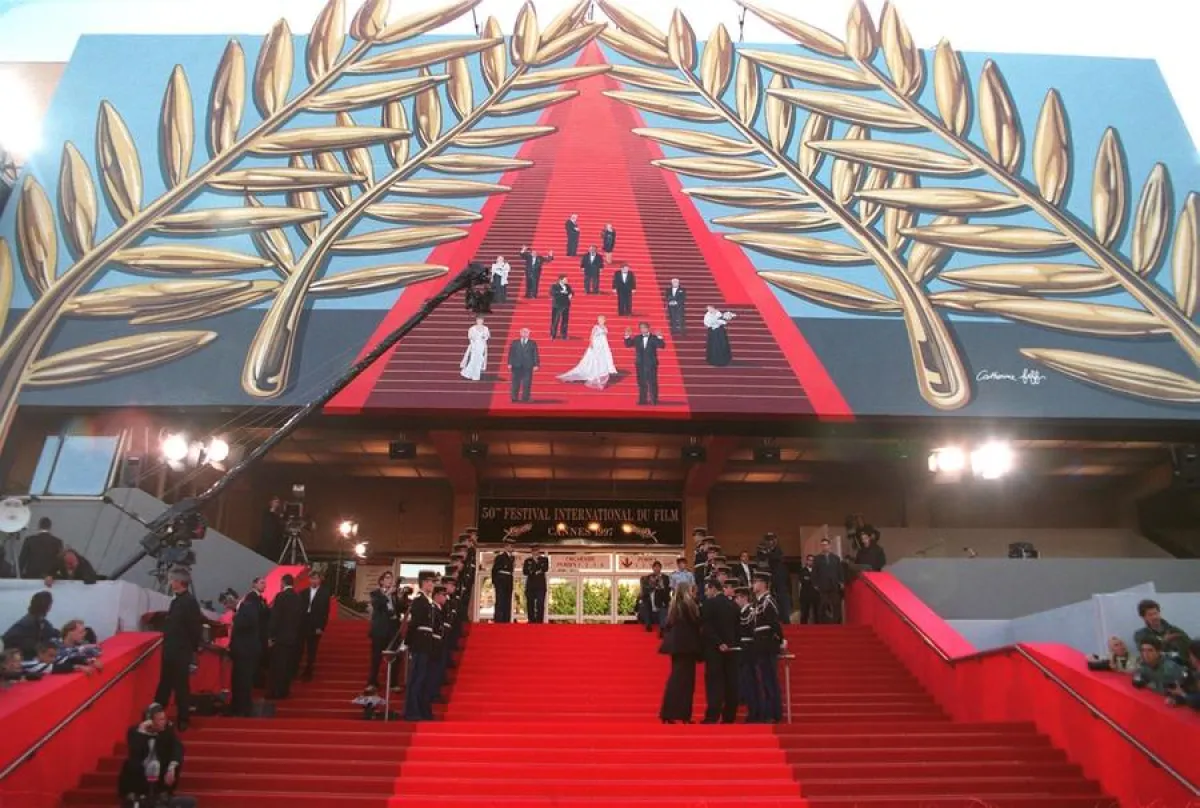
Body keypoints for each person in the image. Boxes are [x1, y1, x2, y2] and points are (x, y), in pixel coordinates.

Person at [155, 569, 203, 730]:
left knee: (181, 686)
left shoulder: (189, 602)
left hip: (181, 651)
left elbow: (194, 628)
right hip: (170, 649)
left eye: (171, 580)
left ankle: (183, 718)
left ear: (178, 582)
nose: (170, 583)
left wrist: (193, 650)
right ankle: (156, 715)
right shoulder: (176, 602)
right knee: (165, 684)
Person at [118, 703, 184, 807]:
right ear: (150, 721)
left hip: (160, 768)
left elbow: (178, 748)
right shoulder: (135, 732)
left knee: (173, 764)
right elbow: (134, 751)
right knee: (128, 764)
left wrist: (172, 766)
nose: (164, 722)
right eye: (161, 720)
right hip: (141, 769)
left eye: (164, 719)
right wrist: (143, 732)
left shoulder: (168, 731)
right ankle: (132, 794)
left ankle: (164, 793)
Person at [659, 582, 701, 724]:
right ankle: (683, 714)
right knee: (686, 682)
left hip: (677, 648)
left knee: (676, 680)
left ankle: (670, 713)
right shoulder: (688, 606)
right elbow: (696, 622)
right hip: (687, 648)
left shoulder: (674, 607)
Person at [701, 578, 739, 724]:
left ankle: (712, 716)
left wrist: (719, 642)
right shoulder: (733, 605)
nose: (706, 593)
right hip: (732, 649)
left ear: (712, 588)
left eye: (706, 590)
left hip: (714, 650)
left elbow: (707, 627)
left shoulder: (709, 604)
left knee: (714, 682)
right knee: (731, 682)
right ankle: (729, 716)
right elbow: (737, 628)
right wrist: (731, 643)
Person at [751, 571, 784, 723]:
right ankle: (768, 712)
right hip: (761, 646)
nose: (754, 584)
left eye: (756, 581)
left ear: (764, 584)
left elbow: (775, 625)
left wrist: (779, 640)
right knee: (765, 680)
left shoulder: (768, 601)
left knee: (770, 680)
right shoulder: (759, 602)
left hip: (767, 645)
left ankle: (773, 713)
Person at [404, 572, 437, 721]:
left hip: (425, 643)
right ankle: (412, 711)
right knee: (416, 678)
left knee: (422, 678)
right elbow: (414, 624)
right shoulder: (419, 600)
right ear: (423, 583)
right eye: (430, 582)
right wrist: (408, 643)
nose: (432, 585)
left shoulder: (427, 601)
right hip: (419, 643)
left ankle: (420, 709)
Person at [229, 589, 263, 716]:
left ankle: (244, 708)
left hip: (247, 652)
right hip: (241, 652)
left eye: (227, 603)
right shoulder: (242, 610)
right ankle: (238, 706)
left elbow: (247, 624)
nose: (226, 607)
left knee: (244, 681)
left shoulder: (248, 608)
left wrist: (235, 620)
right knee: (238, 681)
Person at [558, 315, 617, 390]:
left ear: (605, 321)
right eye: (600, 320)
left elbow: (604, 337)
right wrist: (591, 344)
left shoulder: (605, 328)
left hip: (602, 347)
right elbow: (591, 336)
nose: (601, 321)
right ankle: (593, 374)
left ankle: (599, 374)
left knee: (601, 361)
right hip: (596, 346)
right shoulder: (596, 327)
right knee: (593, 361)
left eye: (602, 320)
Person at [267, 573, 302, 700]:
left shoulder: (281, 596)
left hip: (280, 638)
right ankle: (284, 691)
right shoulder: (298, 597)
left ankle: (275, 691)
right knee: (288, 665)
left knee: (277, 665)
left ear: (283, 582)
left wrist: (271, 635)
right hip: (293, 637)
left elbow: (275, 617)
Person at [367, 572, 400, 690]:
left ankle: (393, 683)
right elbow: (377, 605)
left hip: (393, 629)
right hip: (380, 630)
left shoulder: (395, 595)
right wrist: (386, 595)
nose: (390, 580)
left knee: (395, 656)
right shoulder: (375, 593)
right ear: (381, 581)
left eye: (391, 578)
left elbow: (399, 608)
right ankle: (372, 682)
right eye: (387, 578)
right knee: (376, 657)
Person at [3, 590, 58, 659]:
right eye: (50, 604)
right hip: (25, 659)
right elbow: (9, 639)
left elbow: (52, 633)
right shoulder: (26, 623)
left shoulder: (43, 623)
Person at [623, 322, 665, 406]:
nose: (643, 329)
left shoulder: (654, 338)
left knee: (652, 382)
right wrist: (627, 336)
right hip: (640, 364)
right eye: (641, 328)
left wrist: (660, 337)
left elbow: (661, 345)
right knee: (641, 382)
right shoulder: (637, 338)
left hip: (651, 364)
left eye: (644, 328)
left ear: (648, 328)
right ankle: (642, 400)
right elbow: (628, 344)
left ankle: (654, 400)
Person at [299, 570, 330, 681]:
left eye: (316, 578)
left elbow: (325, 612)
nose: (314, 580)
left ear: (319, 580)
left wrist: (321, 627)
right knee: (300, 647)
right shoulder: (303, 593)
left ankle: (309, 670)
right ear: (309, 579)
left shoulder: (325, 593)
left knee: (312, 649)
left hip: (315, 624)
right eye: (312, 578)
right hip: (303, 623)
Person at [733, 586, 758, 721]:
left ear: (744, 598)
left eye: (737, 598)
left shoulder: (749, 612)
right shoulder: (744, 612)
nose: (735, 601)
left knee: (749, 681)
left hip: (748, 649)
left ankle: (754, 711)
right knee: (745, 680)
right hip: (744, 648)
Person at [758, 533, 791, 625]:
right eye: (768, 540)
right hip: (767, 578)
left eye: (771, 539)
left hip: (779, 579)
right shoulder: (761, 549)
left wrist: (767, 553)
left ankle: (785, 621)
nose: (770, 542)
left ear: (775, 540)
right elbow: (760, 561)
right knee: (767, 600)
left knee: (782, 599)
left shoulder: (778, 551)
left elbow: (776, 558)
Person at [19, 517, 63, 582]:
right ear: (50, 527)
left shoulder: (29, 540)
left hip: (31, 577)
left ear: (39, 526)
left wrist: (19, 575)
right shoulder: (58, 542)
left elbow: (22, 560)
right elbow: (60, 562)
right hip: (49, 579)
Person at [812, 537, 844, 624]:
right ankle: (822, 622)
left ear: (829, 546)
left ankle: (837, 622)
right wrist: (815, 584)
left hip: (834, 584)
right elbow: (814, 572)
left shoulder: (835, 558)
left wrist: (841, 582)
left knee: (836, 604)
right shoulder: (817, 558)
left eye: (826, 545)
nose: (824, 547)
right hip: (822, 585)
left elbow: (839, 571)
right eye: (822, 545)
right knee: (823, 604)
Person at [507, 328, 539, 403]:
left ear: (529, 334)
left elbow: (535, 354)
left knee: (527, 382)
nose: (525, 334)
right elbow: (511, 353)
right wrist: (509, 363)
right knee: (515, 382)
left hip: (528, 366)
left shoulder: (532, 343)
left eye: (526, 332)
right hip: (516, 365)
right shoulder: (515, 342)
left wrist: (536, 364)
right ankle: (514, 397)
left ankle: (525, 398)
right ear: (520, 333)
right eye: (523, 332)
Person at [640, 561, 671, 634]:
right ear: (652, 568)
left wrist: (661, 585)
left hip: (662, 598)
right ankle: (648, 625)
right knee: (645, 606)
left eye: (658, 567)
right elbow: (645, 588)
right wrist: (652, 585)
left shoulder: (666, 577)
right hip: (650, 597)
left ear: (661, 568)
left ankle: (662, 628)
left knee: (663, 611)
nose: (657, 568)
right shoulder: (647, 577)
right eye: (655, 567)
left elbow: (668, 588)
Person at [522, 546, 549, 623]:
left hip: (541, 586)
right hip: (530, 586)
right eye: (533, 550)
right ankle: (531, 620)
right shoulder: (528, 560)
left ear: (539, 551)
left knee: (540, 604)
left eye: (537, 550)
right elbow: (525, 571)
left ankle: (539, 621)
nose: (535, 552)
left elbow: (545, 569)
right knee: (530, 604)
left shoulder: (544, 559)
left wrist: (533, 570)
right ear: (531, 551)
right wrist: (536, 570)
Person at [491, 539, 516, 622]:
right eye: (510, 546)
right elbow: (494, 570)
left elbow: (511, 571)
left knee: (507, 602)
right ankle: (498, 620)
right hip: (501, 581)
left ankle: (506, 620)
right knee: (500, 601)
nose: (512, 547)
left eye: (512, 546)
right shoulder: (500, 557)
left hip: (508, 581)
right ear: (506, 547)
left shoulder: (512, 558)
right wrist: (495, 582)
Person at [460, 316, 490, 381]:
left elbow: (487, 336)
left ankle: (476, 376)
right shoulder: (472, 328)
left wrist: (484, 337)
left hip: (482, 346)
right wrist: (473, 344)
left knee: (479, 361)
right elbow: (470, 337)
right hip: (474, 346)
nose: (480, 321)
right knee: (473, 360)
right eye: (479, 320)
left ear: (483, 321)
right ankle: (468, 373)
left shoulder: (486, 328)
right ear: (476, 321)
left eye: (481, 320)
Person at [259, 497, 285, 561]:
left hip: (277, 537)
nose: (277, 504)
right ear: (271, 503)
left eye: (278, 502)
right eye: (275, 502)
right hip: (268, 537)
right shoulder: (266, 512)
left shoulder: (279, 513)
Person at [550, 275, 574, 340]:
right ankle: (553, 334)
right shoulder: (554, 286)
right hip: (557, 306)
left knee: (565, 321)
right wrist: (562, 292)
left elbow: (571, 292)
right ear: (560, 280)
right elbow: (552, 293)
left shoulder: (568, 286)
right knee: (555, 321)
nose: (567, 281)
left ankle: (564, 335)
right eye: (565, 279)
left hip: (566, 305)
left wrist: (571, 294)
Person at [798, 555, 819, 625]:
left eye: (812, 560)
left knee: (817, 613)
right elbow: (803, 580)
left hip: (815, 594)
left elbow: (818, 581)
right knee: (804, 613)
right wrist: (811, 580)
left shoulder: (816, 571)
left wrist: (809, 578)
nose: (811, 562)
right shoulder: (802, 570)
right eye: (809, 560)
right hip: (805, 594)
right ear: (806, 561)